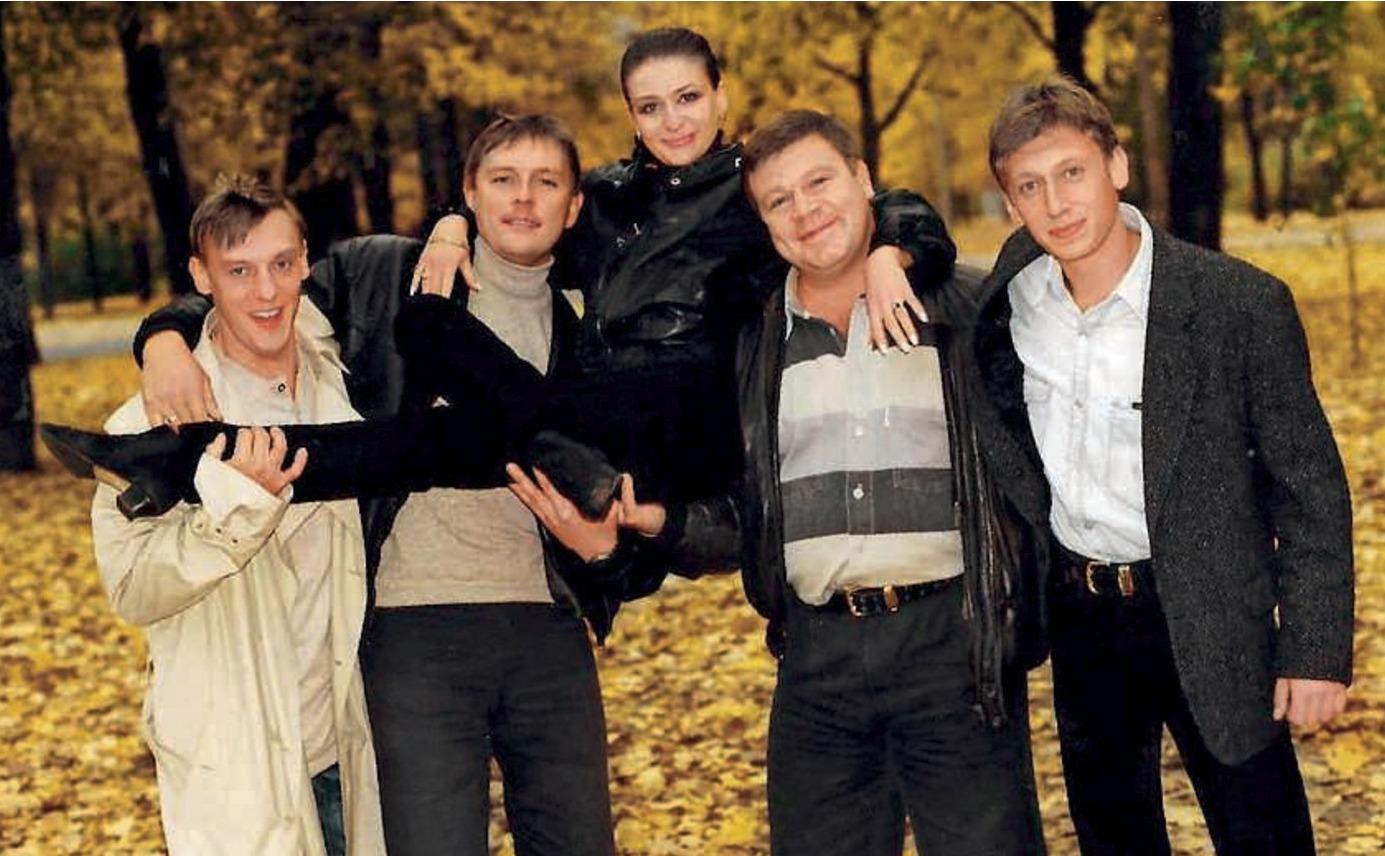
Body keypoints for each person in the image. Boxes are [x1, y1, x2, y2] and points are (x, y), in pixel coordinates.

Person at [47, 117, 628, 855]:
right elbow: (250, 284)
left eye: (545, 182)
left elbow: (637, 493)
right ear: (467, 192)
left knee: (484, 435)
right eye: (502, 180)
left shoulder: (593, 322)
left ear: (573, 205)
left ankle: (176, 463)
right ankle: (170, 461)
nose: (522, 198)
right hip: (389, 646)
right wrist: (162, 341)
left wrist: (607, 554)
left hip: (513, 639)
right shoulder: (389, 279)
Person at [118, 27, 953, 526]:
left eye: (688, 98)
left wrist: (891, 254)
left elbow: (888, 207)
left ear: (721, 97)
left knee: (435, 383)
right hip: (591, 414)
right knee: (425, 427)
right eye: (650, 106)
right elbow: (515, 207)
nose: (672, 121)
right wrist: (164, 333)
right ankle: (194, 466)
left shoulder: (755, 189)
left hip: (693, 415)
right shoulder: (606, 199)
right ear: (630, 115)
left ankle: (186, 465)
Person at [513, 109, 1047, 856]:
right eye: (779, 200)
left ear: (863, 180)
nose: (805, 211)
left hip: (954, 652)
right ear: (761, 222)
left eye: (819, 183)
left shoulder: (965, 310)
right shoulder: (748, 346)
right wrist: (653, 525)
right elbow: (745, 515)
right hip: (816, 661)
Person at [969, 77, 1354, 854]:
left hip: (1214, 614)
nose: (1055, 203)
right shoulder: (1010, 305)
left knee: (1263, 834)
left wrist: (1314, 653)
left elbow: (1308, 490)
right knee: (1111, 835)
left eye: (1071, 172)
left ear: (1116, 165)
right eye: (1030, 187)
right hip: (1084, 617)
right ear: (1010, 205)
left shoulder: (1235, 304)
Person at [82, 176, 385, 854]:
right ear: (201, 277)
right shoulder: (150, 423)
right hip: (237, 767)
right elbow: (132, 589)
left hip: (341, 748)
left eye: (281, 263)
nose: (267, 291)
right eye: (239, 271)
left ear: (304, 262)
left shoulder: (342, 382)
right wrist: (238, 514)